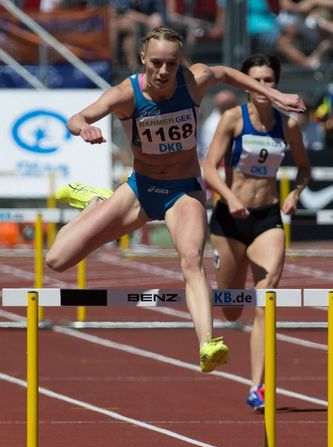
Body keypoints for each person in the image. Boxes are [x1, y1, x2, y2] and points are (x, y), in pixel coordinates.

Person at [46, 27, 306, 374]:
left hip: (183, 191)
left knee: (190, 258)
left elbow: (227, 73)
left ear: (180, 61)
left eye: (171, 63)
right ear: (143, 60)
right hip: (139, 190)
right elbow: (77, 118)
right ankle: (95, 202)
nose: (164, 71)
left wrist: (275, 96)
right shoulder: (126, 94)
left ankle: (208, 342)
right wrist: (84, 128)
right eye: (156, 63)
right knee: (57, 260)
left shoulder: (192, 81)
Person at [203, 53, 310, 406]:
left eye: (269, 80)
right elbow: (209, 169)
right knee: (231, 309)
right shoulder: (234, 119)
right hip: (229, 220)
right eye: (257, 81)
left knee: (266, 300)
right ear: (246, 85)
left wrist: (295, 192)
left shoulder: (288, 126)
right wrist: (230, 197)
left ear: (277, 83)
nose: (263, 87)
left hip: (266, 220)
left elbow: (304, 170)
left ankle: (257, 387)